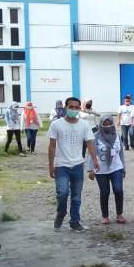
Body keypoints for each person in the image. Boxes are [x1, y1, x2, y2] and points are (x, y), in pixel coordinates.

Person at [48, 97, 99, 232]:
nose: (74, 110)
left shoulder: (84, 125)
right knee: (63, 193)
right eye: (71, 107)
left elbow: (90, 143)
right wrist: (51, 165)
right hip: (61, 165)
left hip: (77, 164)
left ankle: (74, 221)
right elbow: (52, 146)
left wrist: (95, 160)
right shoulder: (56, 124)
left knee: (76, 196)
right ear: (65, 107)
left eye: (77, 107)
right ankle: (61, 213)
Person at [87, 116, 126, 225]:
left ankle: (119, 214)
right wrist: (90, 169)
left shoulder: (117, 136)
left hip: (116, 167)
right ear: (100, 124)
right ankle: (105, 216)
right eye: (105, 124)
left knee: (118, 190)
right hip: (101, 169)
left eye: (110, 123)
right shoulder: (96, 137)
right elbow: (91, 153)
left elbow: (121, 153)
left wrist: (123, 167)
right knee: (104, 193)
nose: (108, 126)